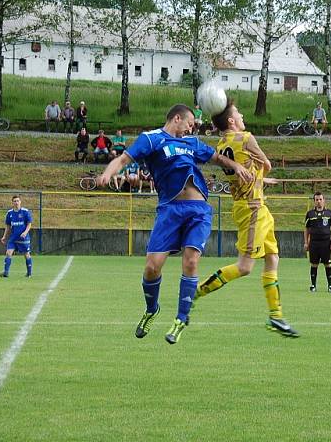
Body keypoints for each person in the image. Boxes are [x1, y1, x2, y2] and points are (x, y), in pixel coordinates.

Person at [95, 103, 252, 345]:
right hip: (169, 210)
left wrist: (237, 166)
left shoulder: (192, 143)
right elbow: (125, 159)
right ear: (176, 118)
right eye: (189, 124)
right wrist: (108, 173)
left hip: (198, 211)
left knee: (191, 260)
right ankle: (151, 309)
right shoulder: (152, 139)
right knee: (152, 267)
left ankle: (181, 319)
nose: (191, 128)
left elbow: (217, 158)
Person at [193, 99, 300, 338]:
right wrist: (262, 175)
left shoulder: (222, 144)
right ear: (231, 120)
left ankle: (276, 316)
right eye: (238, 113)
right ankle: (196, 292)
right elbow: (268, 165)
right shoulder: (246, 138)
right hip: (252, 208)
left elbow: (242, 172)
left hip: (252, 206)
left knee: (273, 258)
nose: (242, 116)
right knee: (245, 267)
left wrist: (259, 180)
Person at [304, 192, 331, 293]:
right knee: (314, 264)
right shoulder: (310, 214)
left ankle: (330, 285)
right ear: (314, 201)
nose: (319, 201)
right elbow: (306, 228)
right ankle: (313, 285)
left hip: (326, 242)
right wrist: (306, 242)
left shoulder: (329, 213)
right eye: (316, 200)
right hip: (314, 242)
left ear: (324, 200)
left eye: (320, 199)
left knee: (327, 264)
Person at [0, 195, 33, 278]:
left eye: (18, 201)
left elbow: (29, 224)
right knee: (8, 253)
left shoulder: (25, 212)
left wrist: (25, 232)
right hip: (13, 238)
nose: (16, 202)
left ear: (20, 202)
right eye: (15, 201)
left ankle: (29, 273)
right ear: (12, 203)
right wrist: (4, 236)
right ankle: (6, 273)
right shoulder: (9, 213)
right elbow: (8, 226)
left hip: (23, 238)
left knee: (26, 254)